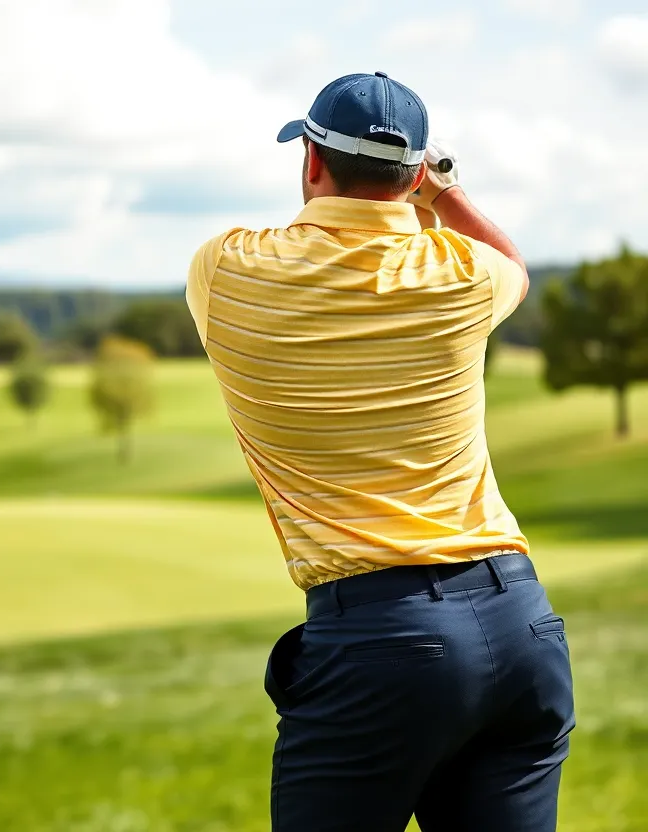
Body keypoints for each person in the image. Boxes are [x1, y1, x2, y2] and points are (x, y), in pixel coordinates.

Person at [184, 72, 575, 832]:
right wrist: (444, 194)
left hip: (377, 643)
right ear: (415, 174)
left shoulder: (224, 268)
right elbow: (513, 267)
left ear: (310, 161)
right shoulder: (462, 274)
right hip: (520, 623)